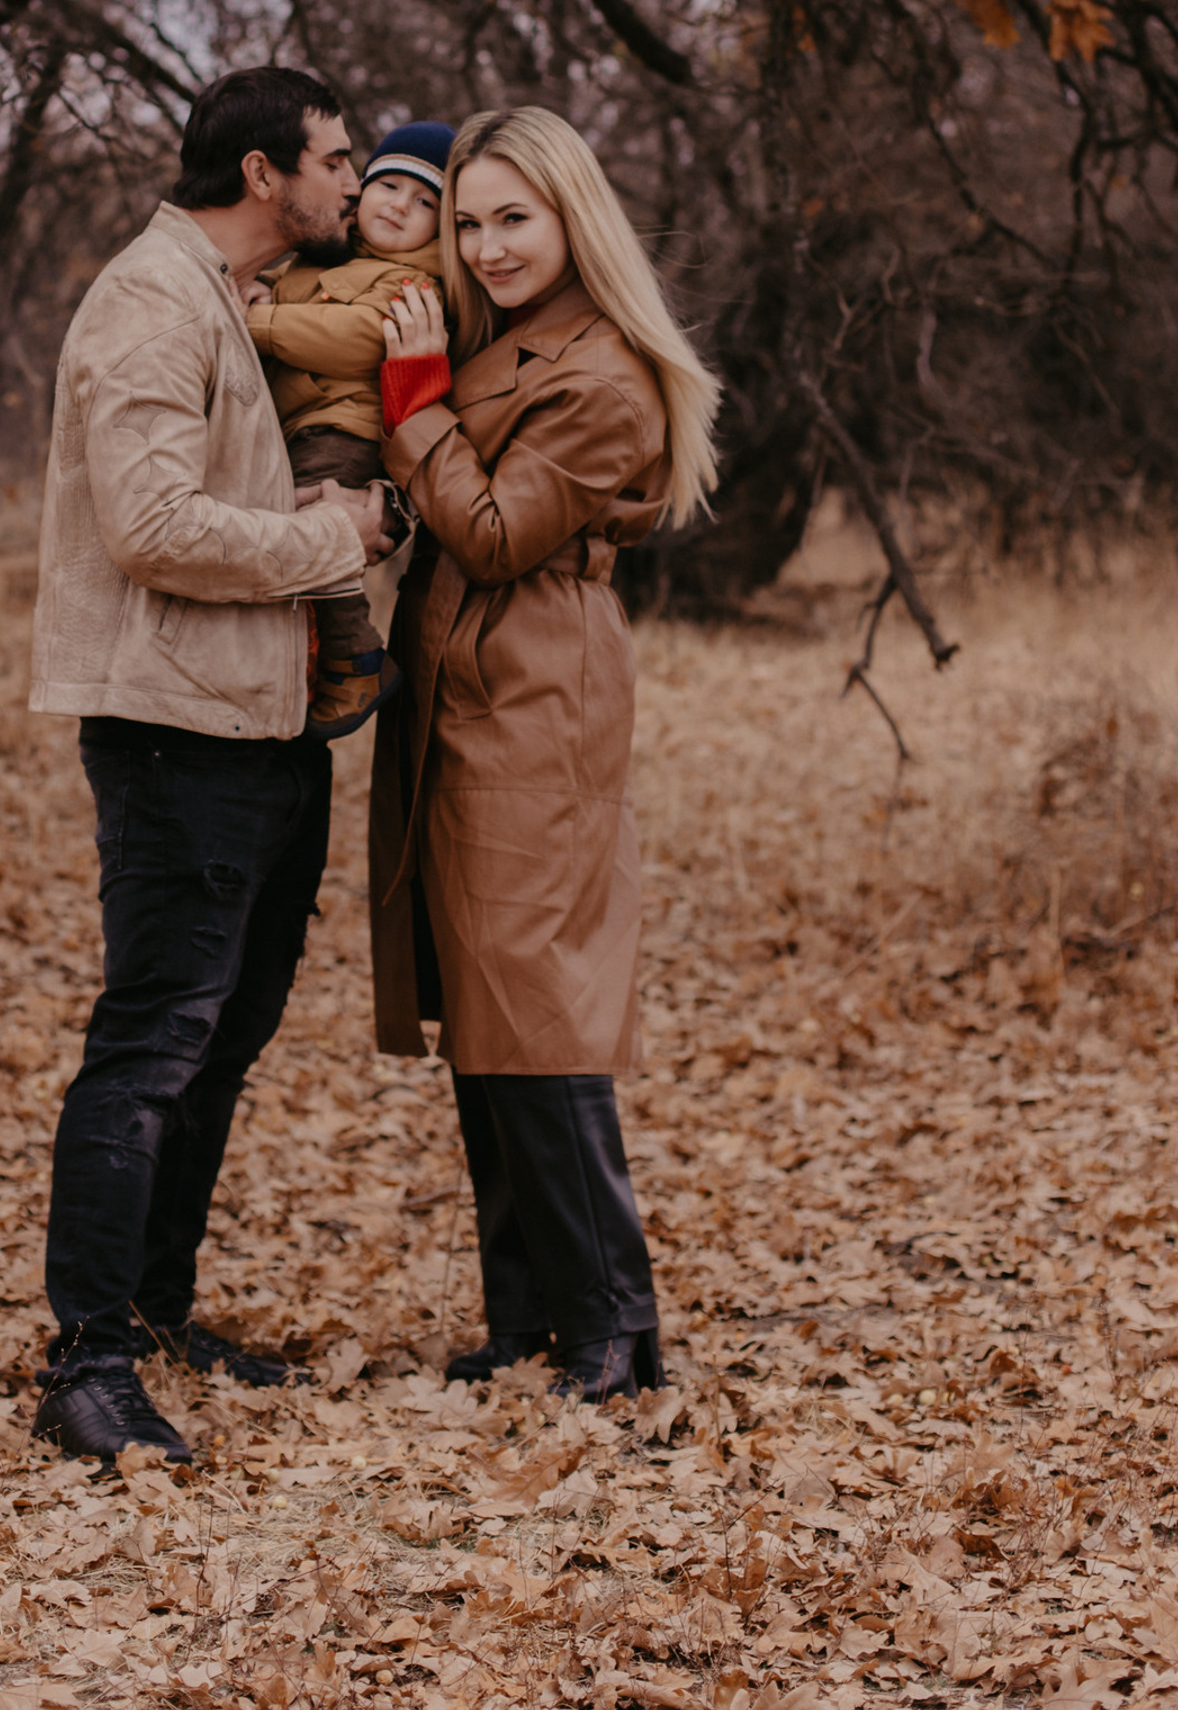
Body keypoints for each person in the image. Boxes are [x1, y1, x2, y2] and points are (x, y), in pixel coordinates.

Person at [29, 66, 394, 1463]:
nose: (351, 185)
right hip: (177, 733)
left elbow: (215, 497)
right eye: (336, 160)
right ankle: (89, 1358)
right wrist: (335, 538)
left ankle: (160, 1311)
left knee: (222, 1040)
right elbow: (151, 525)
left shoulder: (226, 304)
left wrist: (315, 510)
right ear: (263, 173)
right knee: (155, 1039)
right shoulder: (149, 299)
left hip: (265, 723)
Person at [370, 103, 720, 1401]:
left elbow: (499, 530)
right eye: (470, 222)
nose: (489, 245)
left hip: (536, 687)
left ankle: (617, 1333)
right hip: (467, 685)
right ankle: (525, 1318)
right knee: (483, 1008)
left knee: (540, 1008)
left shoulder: (605, 374)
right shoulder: (507, 336)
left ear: (575, 215)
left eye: (514, 217)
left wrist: (413, 404)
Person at [244, 119, 455, 741]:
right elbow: (274, 288)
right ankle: (311, 654)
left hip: (346, 432)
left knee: (320, 526)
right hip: (296, 428)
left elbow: (361, 339)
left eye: (425, 204)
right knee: (290, 530)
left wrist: (258, 322)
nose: (400, 206)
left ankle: (355, 652)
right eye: (389, 185)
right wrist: (255, 287)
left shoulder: (414, 282)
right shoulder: (320, 256)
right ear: (360, 189)